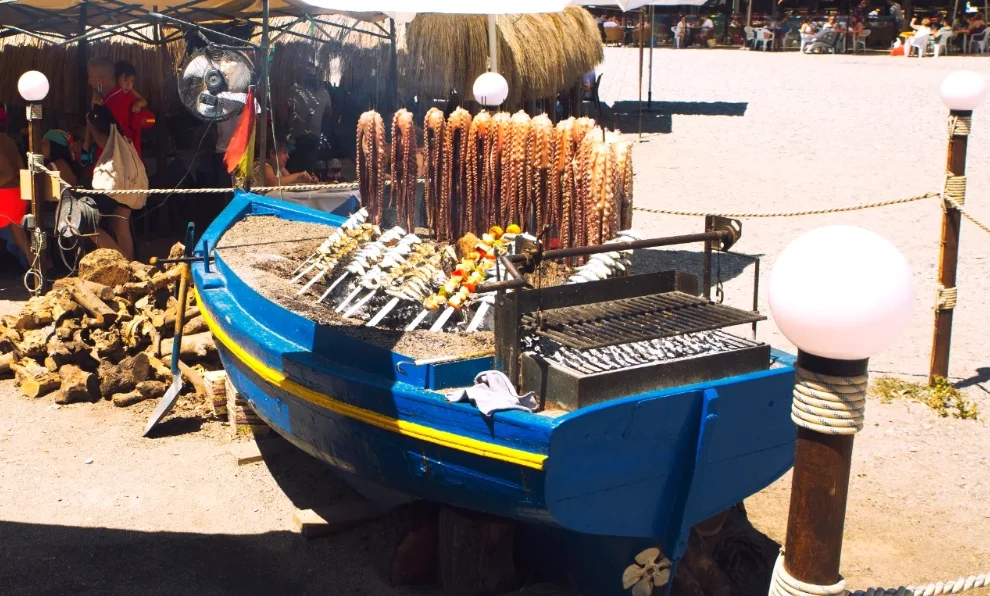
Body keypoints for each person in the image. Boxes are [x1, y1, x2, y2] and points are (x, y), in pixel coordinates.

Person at [84, 104, 135, 261]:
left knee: (88, 225)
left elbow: (92, 143)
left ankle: (123, 262)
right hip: (131, 186)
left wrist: (89, 126)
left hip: (114, 187)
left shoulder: (109, 138)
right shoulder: (123, 138)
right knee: (121, 227)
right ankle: (131, 265)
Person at [284, 62, 332, 176]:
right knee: (305, 168)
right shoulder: (323, 93)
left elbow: (285, 112)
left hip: (299, 136)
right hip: (305, 136)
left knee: (297, 169)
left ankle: (299, 187)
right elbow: (329, 113)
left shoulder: (293, 90)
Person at [100, 61, 145, 158]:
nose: (129, 85)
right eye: (125, 80)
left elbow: (144, 101)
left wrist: (138, 103)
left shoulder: (130, 92)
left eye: (132, 81)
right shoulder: (111, 94)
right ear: (116, 79)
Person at [0, 115, 29, 263]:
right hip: (16, 196)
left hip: (3, 198)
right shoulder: (10, 141)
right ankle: (42, 269)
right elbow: (20, 169)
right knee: (22, 241)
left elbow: (9, 173)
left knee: (20, 239)